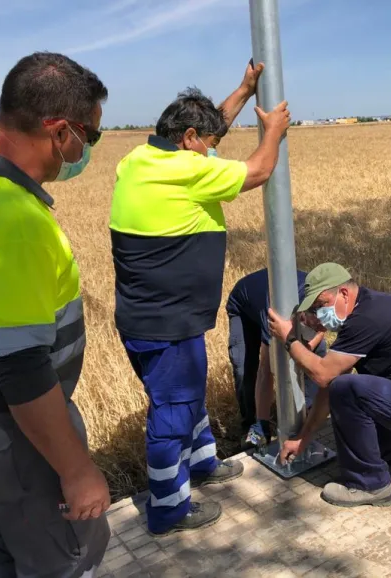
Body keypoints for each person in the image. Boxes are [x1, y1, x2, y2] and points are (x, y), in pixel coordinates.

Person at [0, 52, 110, 577]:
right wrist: (76, 471)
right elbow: (21, 368)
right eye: (89, 138)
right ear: (59, 132)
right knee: (66, 557)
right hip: (14, 438)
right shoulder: (12, 222)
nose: (87, 151)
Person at [109, 60, 291, 535]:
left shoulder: (141, 159)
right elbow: (258, 170)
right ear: (188, 138)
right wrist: (272, 130)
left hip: (159, 317)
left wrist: (245, 90)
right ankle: (169, 509)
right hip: (164, 324)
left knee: (189, 398)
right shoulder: (186, 172)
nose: (213, 149)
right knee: (172, 412)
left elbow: (212, 128)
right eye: (208, 143)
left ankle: (204, 464)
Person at [267, 263, 391, 508]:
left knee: (348, 391)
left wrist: (289, 339)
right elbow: (330, 381)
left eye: (321, 305)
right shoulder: (367, 308)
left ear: (344, 294)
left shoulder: (366, 319)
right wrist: (304, 437)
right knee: (365, 448)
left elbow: (324, 376)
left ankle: (371, 485)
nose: (317, 313)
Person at [226, 268, 327, 448]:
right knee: (245, 369)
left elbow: (321, 331)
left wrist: (306, 349)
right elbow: (266, 370)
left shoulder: (322, 300)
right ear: (302, 314)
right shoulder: (277, 315)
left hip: (283, 300)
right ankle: (255, 427)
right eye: (311, 323)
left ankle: (306, 416)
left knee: (314, 357)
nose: (317, 326)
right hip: (245, 306)